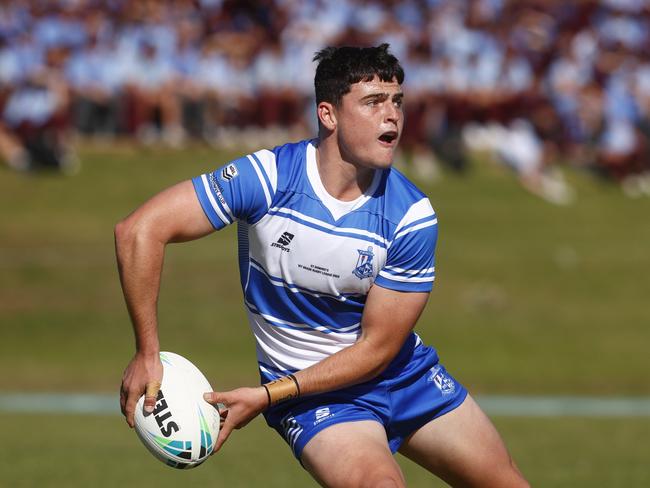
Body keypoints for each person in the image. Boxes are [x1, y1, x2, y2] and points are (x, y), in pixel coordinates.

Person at [116, 44, 529, 488]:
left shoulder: (411, 215)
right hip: (310, 395)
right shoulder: (270, 178)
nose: (392, 116)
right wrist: (147, 352)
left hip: (401, 374)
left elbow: (377, 349)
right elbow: (139, 230)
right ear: (329, 115)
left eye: (397, 102)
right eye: (373, 102)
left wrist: (266, 396)